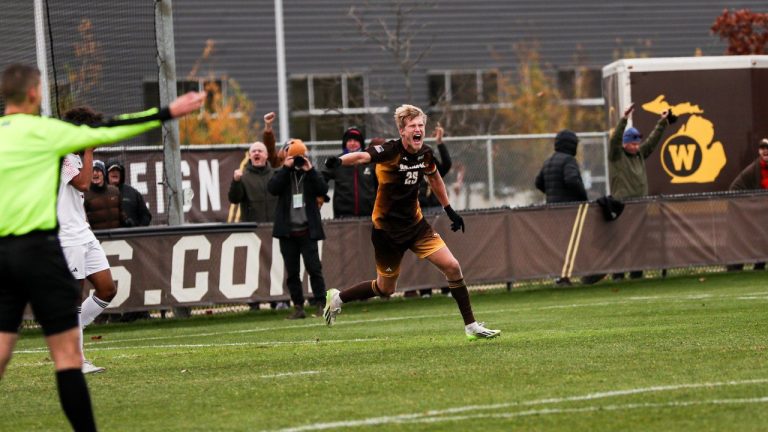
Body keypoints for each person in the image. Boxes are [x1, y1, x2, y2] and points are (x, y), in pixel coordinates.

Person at [0, 63, 204, 432]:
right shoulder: (49, 134)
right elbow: (113, 129)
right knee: (66, 359)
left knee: (3, 352)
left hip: (7, 251)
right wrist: (167, 112)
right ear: (34, 94)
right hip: (45, 245)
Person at [323, 104, 500, 340]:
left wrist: (450, 210)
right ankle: (337, 298)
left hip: (416, 227)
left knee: (453, 266)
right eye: (413, 126)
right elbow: (362, 156)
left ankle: (471, 326)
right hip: (387, 231)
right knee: (386, 289)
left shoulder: (425, 153)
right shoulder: (389, 150)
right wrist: (339, 161)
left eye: (421, 125)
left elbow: (436, 179)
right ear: (402, 130)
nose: (418, 129)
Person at [58, 107, 121, 373]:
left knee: (107, 288)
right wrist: (90, 149)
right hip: (66, 236)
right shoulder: (63, 156)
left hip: (82, 232)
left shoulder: (76, 154)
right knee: (74, 296)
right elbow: (83, 184)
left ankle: (74, 329)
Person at [267, 139, 329, 319]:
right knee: (292, 272)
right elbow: (272, 188)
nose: (297, 161)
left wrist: (310, 170)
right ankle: (299, 307)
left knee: (314, 269)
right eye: (294, 157)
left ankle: (321, 304)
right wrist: (286, 168)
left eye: (300, 157)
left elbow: (323, 189)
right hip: (288, 233)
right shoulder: (283, 173)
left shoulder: (310, 174)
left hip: (308, 231)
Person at [608, 103, 670, 280]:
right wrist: (624, 119)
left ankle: (637, 272)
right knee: (621, 242)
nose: (636, 147)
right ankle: (618, 274)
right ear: (625, 143)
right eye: (632, 144)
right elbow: (614, 140)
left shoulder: (639, 154)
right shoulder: (616, 155)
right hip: (622, 206)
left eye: (637, 144)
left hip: (640, 206)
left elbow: (652, 141)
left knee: (639, 242)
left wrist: (662, 122)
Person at [535, 129, 588, 286]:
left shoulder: (549, 161)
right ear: (572, 145)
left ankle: (560, 276)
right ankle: (575, 275)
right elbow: (572, 180)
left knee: (558, 244)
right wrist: (583, 197)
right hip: (568, 211)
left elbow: (538, 182)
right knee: (574, 242)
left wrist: (552, 193)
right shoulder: (569, 161)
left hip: (552, 209)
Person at [726, 137, 768, 271]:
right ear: (758, 151)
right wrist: (750, 204)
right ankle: (736, 268)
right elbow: (734, 189)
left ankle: (759, 266)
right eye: (762, 148)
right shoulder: (753, 170)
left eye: (767, 148)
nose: (765, 151)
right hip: (750, 210)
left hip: (762, 212)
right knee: (745, 239)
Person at [322, 126, 378, 219]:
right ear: (345, 143)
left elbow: (379, 186)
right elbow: (321, 179)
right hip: (343, 216)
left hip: (369, 216)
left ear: (361, 143)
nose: (352, 143)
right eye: (349, 140)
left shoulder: (370, 161)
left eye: (356, 140)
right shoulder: (337, 162)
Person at [105, 160, 152, 227]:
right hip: (108, 235)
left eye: (118, 170)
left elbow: (146, 216)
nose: (115, 172)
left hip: (131, 235)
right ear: (106, 174)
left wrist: (138, 231)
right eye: (112, 170)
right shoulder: (100, 193)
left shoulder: (133, 193)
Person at [84, 160, 124, 230]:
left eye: (98, 170)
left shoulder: (114, 191)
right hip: (96, 238)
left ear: (103, 173)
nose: (95, 173)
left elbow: (121, 213)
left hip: (116, 236)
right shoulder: (85, 195)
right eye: (92, 171)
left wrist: (126, 222)